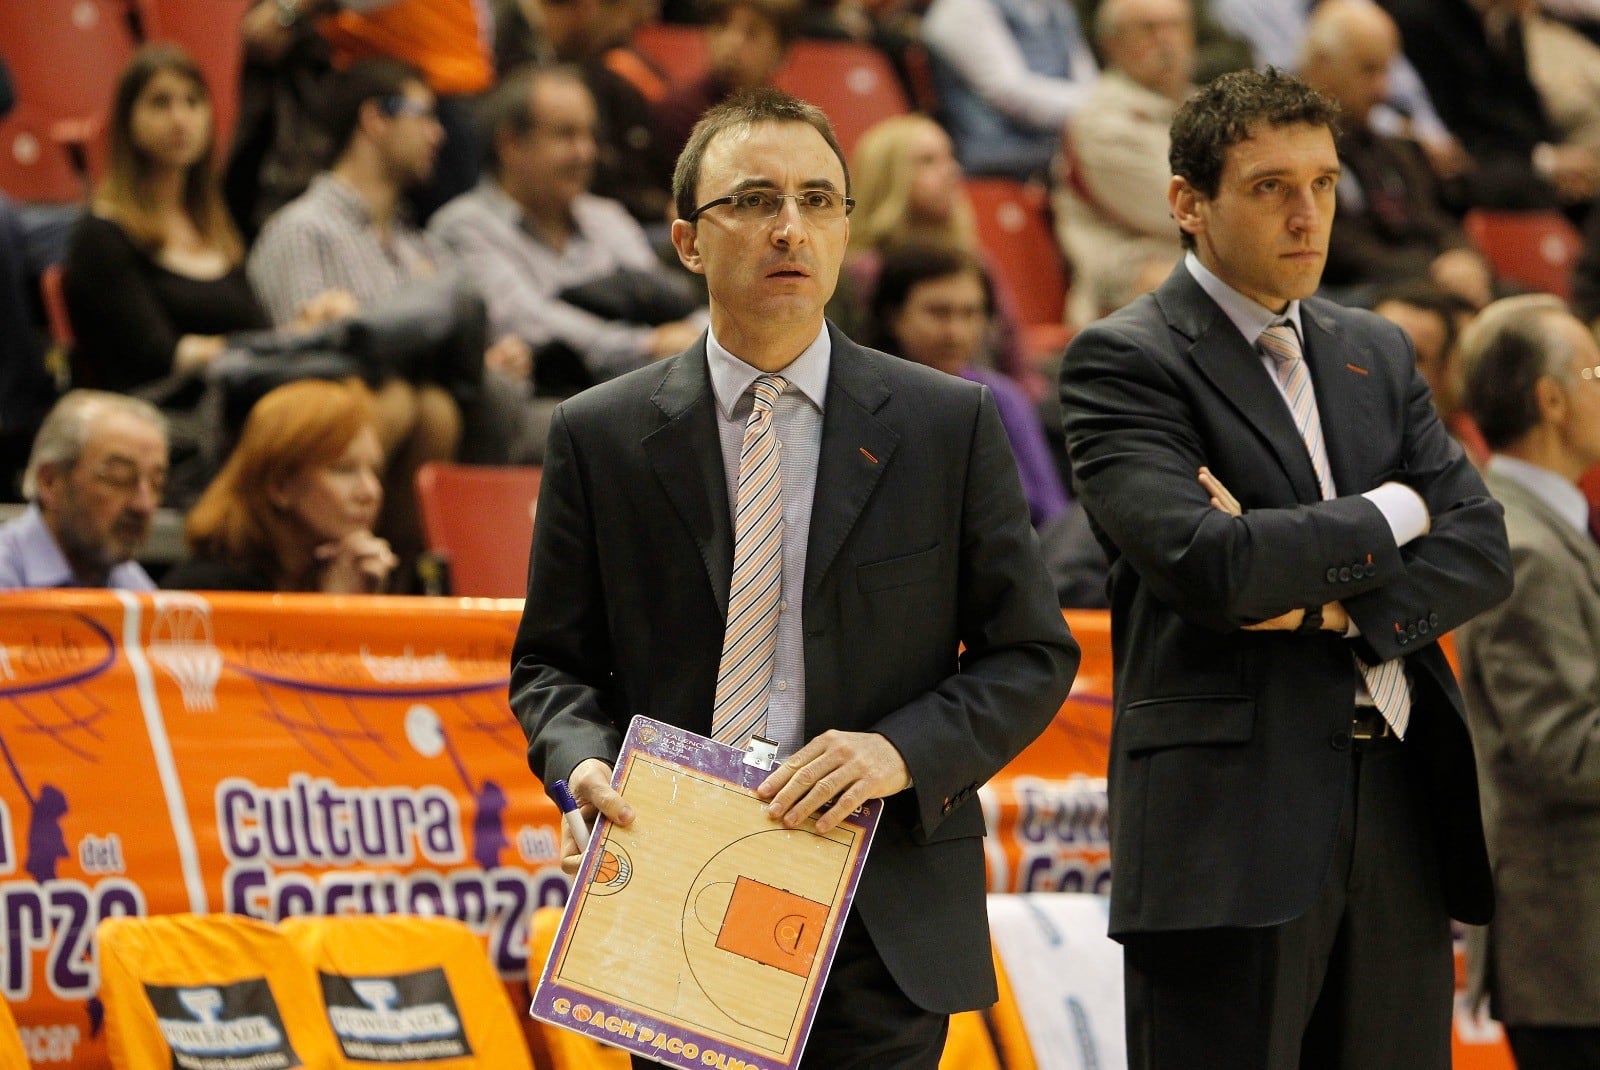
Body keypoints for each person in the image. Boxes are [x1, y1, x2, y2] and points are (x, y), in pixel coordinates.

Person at [509, 88, 1079, 1067]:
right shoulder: (598, 433)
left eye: (820, 200)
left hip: (878, 898)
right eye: (755, 200)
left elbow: (1028, 654)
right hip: (680, 880)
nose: (790, 227)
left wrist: (896, 751)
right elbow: (553, 668)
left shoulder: (948, 424)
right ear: (688, 241)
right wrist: (581, 766)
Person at [1058, 67, 1513, 1069]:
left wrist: (1322, 609)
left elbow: (1481, 547)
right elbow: (1215, 567)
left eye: (1324, 182)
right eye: (1269, 186)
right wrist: (1398, 509)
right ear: (1188, 202)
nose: (1307, 214)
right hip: (1227, 826)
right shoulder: (1123, 360)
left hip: (1399, 800)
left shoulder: (1376, 350)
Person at [1454, 295, 1600, 1070]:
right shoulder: (1526, 547)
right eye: (1595, 372)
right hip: (1572, 951)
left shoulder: (1548, 530)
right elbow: (1566, 749)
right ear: (1551, 399)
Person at [63, 44, 273, 496]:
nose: (180, 119)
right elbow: (156, 355)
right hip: (173, 423)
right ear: (127, 122)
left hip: (240, 402)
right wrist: (239, 351)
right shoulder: (103, 234)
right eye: (160, 102)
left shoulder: (218, 230)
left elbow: (261, 329)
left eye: (193, 102)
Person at [429, 67, 704, 392]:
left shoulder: (606, 216)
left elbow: (666, 300)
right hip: (546, 393)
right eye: (566, 135)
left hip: (641, 387)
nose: (586, 153)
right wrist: (647, 344)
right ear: (511, 144)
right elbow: (526, 322)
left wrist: (700, 339)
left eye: (590, 136)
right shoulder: (464, 227)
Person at [1297, 0, 1494, 308]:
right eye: (1368, 70)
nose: (1382, 90)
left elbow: (1432, 218)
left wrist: (1461, 256)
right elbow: (1334, 247)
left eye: (1386, 70)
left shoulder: (1393, 148)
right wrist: (1432, 272)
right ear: (1321, 65)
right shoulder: (1293, 151)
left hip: (1421, 281)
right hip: (1350, 297)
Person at [866, 243, 1068, 527]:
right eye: (938, 312)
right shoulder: (862, 400)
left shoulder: (1002, 397)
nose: (955, 332)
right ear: (893, 316)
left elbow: (1053, 513)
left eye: (970, 313)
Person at [845, 114, 1033, 386]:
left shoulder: (974, 261)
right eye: (928, 161)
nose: (951, 171)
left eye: (950, 158)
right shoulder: (862, 271)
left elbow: (1016, 366)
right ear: (886, 176)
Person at [162, 379, 396, 594]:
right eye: (344, 470)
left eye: (374, 471)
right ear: (280, 485)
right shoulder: (209, 589)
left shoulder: (352, 572)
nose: (370, 491)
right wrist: (335, 608)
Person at [1053, 0, 1192, 328]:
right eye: (1148, 28)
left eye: (1175, 26)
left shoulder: (1203, 103)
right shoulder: (1098, 122)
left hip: (1201, 264)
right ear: (1111, 43)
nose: (1166, 39)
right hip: (1123, 283)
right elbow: (1178, 212)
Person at [0, 391, 168, 590]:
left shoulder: (131, 584)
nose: (144, 504)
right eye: (119, 477)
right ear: (50, 482)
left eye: (156, 484)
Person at [920, 0, 1099, 179]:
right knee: (1104, 155)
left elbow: (1089, 83)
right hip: (1000, 153)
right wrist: (1101, 109)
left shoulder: (1057, 8)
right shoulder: (960, 9)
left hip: (1062, 141)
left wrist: (1105, 107)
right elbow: (1009, 92)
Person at [654, 0, 803, 165]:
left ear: (781, 52)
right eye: (721, 25)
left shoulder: (789, 123)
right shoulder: (680, 114)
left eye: (752, 33)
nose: (732, 43)